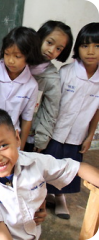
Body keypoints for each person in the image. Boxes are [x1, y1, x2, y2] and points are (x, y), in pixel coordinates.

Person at [0, 108, 99, 239]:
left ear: (17, 138)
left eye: (3, 146)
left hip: (32, 234)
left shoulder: (36, 162)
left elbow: (79, 168)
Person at [43, 22, 99, 219]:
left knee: (71, 167)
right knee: (50, 164)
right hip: (56, 131)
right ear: (77, 48)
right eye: (85, 45)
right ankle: (43, 196)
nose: (91, 51)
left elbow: (96, 111)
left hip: (78, 134)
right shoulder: (66, 72)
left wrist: (90, 135)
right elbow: (51, 103)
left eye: (97, 46)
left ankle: (60, 198)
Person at [0, 27, 44, 150]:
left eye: (17, 56)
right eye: (7, 54)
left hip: (10, 138)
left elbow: (27, 119)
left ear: (29, 56)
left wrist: (21, 146)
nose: (10, 61)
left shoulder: (31, 85)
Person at [25, 20, 73, 152]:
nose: (51, 50)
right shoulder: (19, 64)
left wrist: (41, 140)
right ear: (39, 38)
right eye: (49, 43)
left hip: (29, 136)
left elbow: (50, 111)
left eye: (58, 49)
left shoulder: (52, 78)